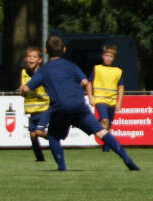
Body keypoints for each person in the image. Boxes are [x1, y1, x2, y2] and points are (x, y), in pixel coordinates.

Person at [20, 35, 139, 171]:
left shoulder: (43, 70)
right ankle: (126, 158)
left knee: (53, 136)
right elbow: (84, 82)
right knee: (101, 132)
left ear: (46, 51)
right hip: (78, 105)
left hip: (60, 108)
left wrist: (23, 91)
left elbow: (26, 88)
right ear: (64, 49)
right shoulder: (71, 65)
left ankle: (61, 167)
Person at [87, 44, 124, 152]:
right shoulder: (97, 68)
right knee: (105, 120)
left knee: (109, 125)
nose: (108, 58)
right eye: (106, 55)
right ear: (102, 56)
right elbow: (89, 83)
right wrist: (90, 97)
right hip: (100, 99)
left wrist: (119, 102)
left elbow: (121, 87)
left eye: (110, 56)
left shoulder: (117, 71)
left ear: (114, 58)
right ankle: (97, 127)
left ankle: (106, 147)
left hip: (112, 101)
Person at [19, 46, 50, 162]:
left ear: (40, 60)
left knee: (39, 132)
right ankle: (39, 158)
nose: (31, 59)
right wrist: (22, 90)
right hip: (32, 110)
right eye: (29, 56)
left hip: (44, 107)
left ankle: (54, 138)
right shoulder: (24, 73)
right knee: (33, 135)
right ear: (25, 59)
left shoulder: (44, 73)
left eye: (34, 57)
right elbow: (23, 92)